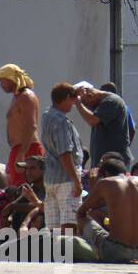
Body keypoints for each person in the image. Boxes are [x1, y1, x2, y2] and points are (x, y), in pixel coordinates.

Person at [75, 158, 138, 263]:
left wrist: (93, 183)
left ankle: (90, 250)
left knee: (81, 216)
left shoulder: (105, 183)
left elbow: (82, 211)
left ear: (106, 173)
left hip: (116, 251)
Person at [39, 82, 84, 234]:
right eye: (72, 100)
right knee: (69, 223)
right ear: (65, 99)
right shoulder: (62, 121)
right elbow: (65, 153)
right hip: (66, 178)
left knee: (53, 226)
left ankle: (55, 256)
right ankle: (66, 255)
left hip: (50, 178)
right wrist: (77, 182)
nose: (72, 104)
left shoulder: (46, 116)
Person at [0, 63, 41, 187]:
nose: (1, 85)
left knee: (22, 188)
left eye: (2, 81)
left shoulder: (26, 96)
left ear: (11, 78)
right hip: (19, 149)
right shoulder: (17, 97)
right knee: (14, 186)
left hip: (28, 149)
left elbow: (31, 125)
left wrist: (22, 153)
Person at [73, 82, 133, 171]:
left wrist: (78, 103)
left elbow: (92, 120)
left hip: (113, 163)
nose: (87, 107)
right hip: (101, 161)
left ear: (90, 94)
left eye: (85, 103)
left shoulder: (112, 101)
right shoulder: (99, 105)